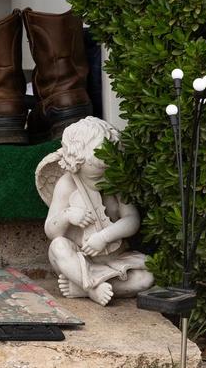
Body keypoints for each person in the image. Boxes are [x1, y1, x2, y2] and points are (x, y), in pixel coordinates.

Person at [36, 117, 154, 305]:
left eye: (110, 171)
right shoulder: (67, 184)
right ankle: (91, 287)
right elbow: (51, 230)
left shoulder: (116, 182)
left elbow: (132, 220)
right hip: (80, 260)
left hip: (115, 259)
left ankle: (82, 288)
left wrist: (104, 237)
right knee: (58, 247)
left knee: (147, 277)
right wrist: (67, 216)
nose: (106, 180)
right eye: (97, 176)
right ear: (76, 165)